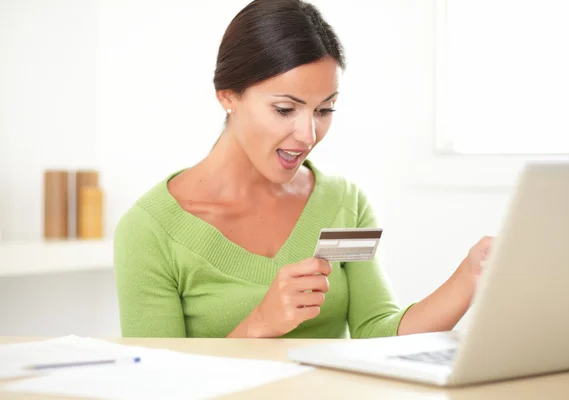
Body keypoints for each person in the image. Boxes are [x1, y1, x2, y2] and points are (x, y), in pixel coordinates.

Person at [113, 0, 492, 339]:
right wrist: (259, 324)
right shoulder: (151, 231)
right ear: (228, 96)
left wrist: (469, 278)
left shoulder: (344, 204)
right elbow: (158, 384)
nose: (308, 134)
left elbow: (375, 334)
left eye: (324, 110)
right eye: (285, 109)